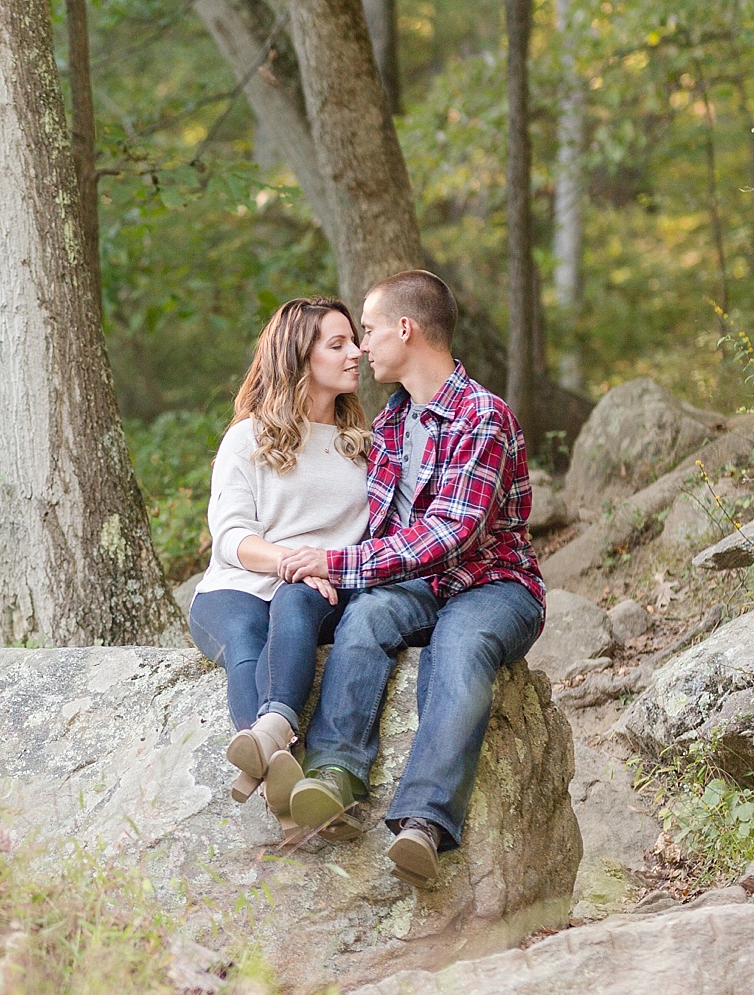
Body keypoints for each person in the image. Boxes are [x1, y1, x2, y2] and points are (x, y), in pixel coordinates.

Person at [274, 269, 545, 889]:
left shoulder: (483, 416)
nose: (362, 346)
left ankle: (424, 820)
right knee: (367, 617)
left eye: (367, 331)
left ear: (406, 329)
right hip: (422, 585)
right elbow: (378, 529)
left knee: (459, 646)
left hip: (494, 585)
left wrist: (337, 564)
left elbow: (452, 533)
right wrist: (330, 579)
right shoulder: (392, 423)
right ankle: (334, 777)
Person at [186, 297, 371, 817]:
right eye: (337, 345)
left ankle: (266, 753)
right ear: (298, 358)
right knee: (246, 639)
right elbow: (230, 537)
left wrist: (316, 568)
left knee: (294, 602)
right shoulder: (248, 437)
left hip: (320, 592)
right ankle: (286, 769)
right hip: (236, 588)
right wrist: (291, 558)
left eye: (353, 341)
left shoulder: (362, 447)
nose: (356, 353)